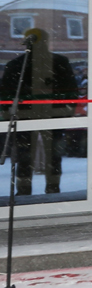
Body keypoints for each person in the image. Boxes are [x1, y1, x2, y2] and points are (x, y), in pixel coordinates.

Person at [1, 27, 77, 195]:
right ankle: (24, 191)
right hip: (27, 117)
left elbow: (71, 90)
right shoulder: (16, 65)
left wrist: (66, 111)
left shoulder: (58, 62)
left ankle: (51, 188)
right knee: (25, 156)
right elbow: (5, 93)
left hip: (52, 116)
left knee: (51, 157)